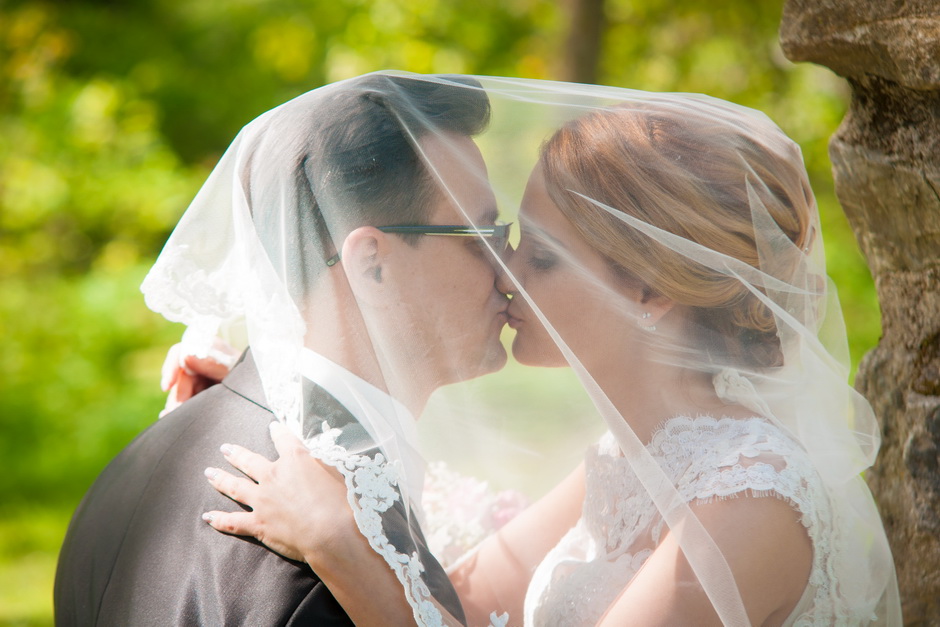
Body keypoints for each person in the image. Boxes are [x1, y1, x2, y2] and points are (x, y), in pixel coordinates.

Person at [184, 76, 902, 626]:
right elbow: (456, 600)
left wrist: (339, 542)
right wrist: (282, 393)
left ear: (651, 292)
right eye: (510, 240)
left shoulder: (750, 496)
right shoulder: (633, 459)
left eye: (546, 256)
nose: (506, 270)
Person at [54, 73, 511, 626]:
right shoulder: (326, 559)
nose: (509, 272)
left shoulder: (141, 461)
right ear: (372, 264)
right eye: (482, 237)